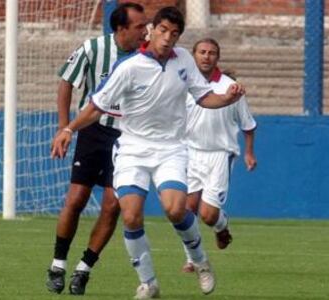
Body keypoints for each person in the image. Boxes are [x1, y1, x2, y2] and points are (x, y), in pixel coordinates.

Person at [51, 7, 245, 299]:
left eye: (175, 33)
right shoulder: (129, 67)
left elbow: (204, 97)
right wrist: (68, 130)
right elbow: (95, 106)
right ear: (152, 29)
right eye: (163, 30)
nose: (168, 38)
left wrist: (227, 98)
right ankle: (149, 283)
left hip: (171, 149)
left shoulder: (184, 61)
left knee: (175, 209)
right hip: (132, 149)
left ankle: (200, 261)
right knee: (130, 216)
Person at [46, 2, 148, 295]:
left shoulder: (149, 55)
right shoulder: (94, 49)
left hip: (128, 137)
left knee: (112, 205)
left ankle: (83, 269)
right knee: (76, 198)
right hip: (93, 130)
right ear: (121, 28)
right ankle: (58, 264)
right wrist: (64, 127)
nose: (146, 31)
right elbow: (66, 82)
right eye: (140, 26)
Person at [181, 38, 257, 273]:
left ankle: (221, 227)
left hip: (219, 154)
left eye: (211, 52)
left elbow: (248, 125)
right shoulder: (183, 84)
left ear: (217, 57)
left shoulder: (230, 87)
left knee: (208, 214)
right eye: (202, 52)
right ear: (194, 55)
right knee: (186, 208)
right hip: (189, 151)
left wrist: (249, 153)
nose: (206, 56)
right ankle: (192, 259)